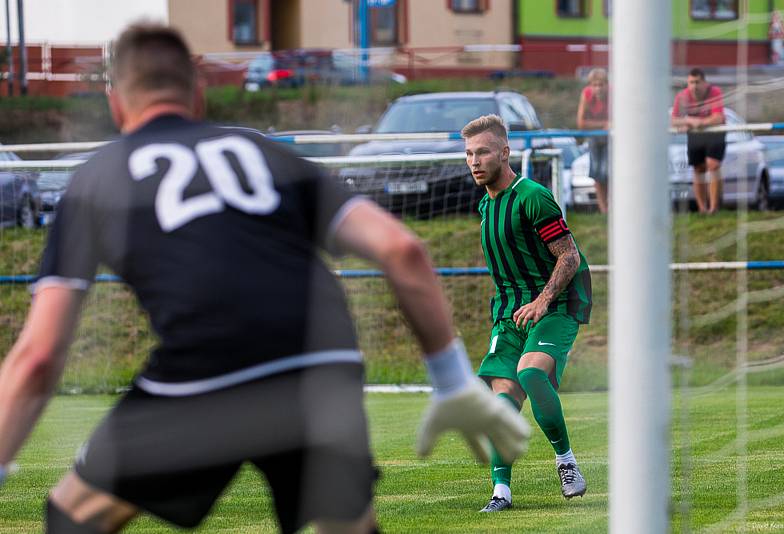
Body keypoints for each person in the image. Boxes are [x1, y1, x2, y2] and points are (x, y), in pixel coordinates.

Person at [0, 24, 530, 534]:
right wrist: (453, 383)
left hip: (210, 368)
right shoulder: (268, 155)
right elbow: (402, 249)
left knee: (75, 513)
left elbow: (40, 355)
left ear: (117, 103)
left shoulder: (99, 177)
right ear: (199, 95)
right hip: (321, 359)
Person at [461, 115, 592, 512]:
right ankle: (501, 493)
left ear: (505, 152)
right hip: (510, 313)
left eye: (482, 151)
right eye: (468, 154)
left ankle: (566, 463)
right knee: (502, 403)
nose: (474, 161)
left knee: (531, 372)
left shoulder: (532, 195)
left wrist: (542, 300)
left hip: (555, 303)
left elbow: (569, 256)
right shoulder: (485, 205)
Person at [671, 68, 726, 214]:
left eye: (697, 82)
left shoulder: (715, 92)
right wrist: (688, 121)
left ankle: (714, 208)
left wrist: (699, 122)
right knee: (698, 168)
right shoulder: (682, 97)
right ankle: (702, 209)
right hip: (696, 135)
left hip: (715, 133)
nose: (694, 86)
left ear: (704, 83)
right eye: (691, 82)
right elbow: (674, 120)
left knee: (713, 165)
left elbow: (718, 118)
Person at [576, 68, 610, 214]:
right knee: (597, 173)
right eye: (595, 85)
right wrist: (604, 124)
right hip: (594, 136)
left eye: (601, 85)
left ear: (607, 85)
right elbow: (581, 123)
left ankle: (612, 207)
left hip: (611, 137)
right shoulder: (587, 94)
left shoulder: (614, 95)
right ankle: (604, 210)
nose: (598, 88)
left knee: (608, 171)